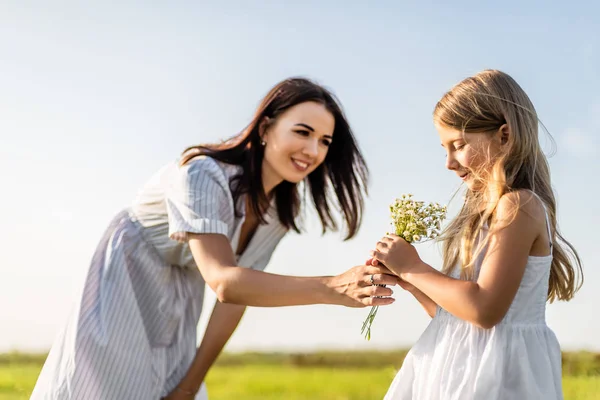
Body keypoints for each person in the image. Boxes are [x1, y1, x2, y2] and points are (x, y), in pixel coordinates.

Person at [31, 77, 399, 400]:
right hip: (125, 281)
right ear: (266, 128)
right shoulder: (203, 173)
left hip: (181, 294)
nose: (313, 150)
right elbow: (224, 280)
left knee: (173, 385)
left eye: (324, 141)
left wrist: (189, 386)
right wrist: (332, 286)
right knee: (101, 386)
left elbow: (236, 298)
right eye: (302, 132)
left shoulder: (278, 214)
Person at [370, 70, 583, 400]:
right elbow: (459, 316)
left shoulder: (519, 206)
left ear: (504, 135)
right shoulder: (484, 212)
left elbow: (484, 310)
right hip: (456, 372)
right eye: (444, 148)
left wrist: (414, 267)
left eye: (458, 145)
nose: (449, 162)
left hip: (496, 379)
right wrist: (410, 280)